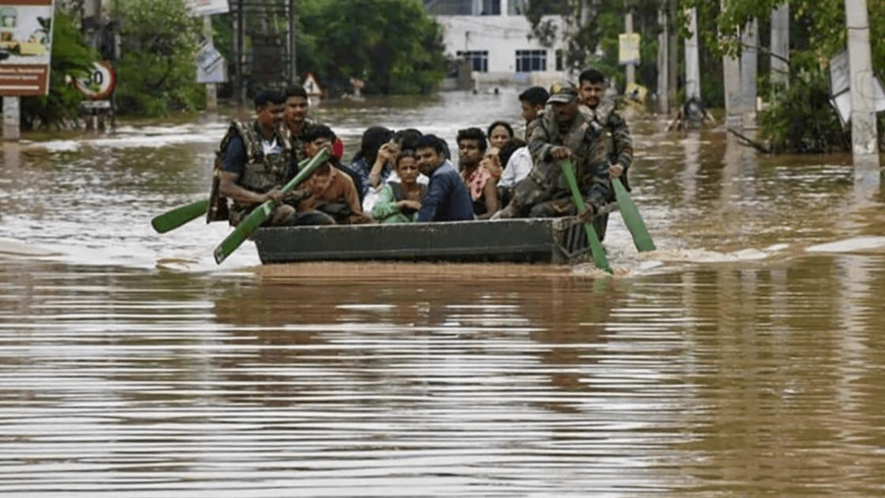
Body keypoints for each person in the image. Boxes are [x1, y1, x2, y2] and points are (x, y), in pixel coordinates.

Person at [495, 81, 612, 225]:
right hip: (543, 185)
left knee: (540, 212)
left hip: (577, 193)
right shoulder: (543, 122)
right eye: (556, 104)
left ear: (576, 102)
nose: (560, 109)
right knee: (512, 210)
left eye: (564, 104)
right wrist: (551, 150)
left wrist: (591, 205)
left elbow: (601, 175)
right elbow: (534, 144)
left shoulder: (593, 132)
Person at [215, 89, 296, 227]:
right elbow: (225, 187)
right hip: (247, 211)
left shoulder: (285, 140)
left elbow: (293, 177)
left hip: (279, 204)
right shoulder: (241, 141)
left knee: (321, 218)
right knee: (286, 212)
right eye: (274, 112)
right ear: (259, 111)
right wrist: (261, 198)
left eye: (282, 111)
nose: (280, 116)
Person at [578, 68, 634, 240]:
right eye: (588, 89)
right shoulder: (570, 115)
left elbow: (626, 147)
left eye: (597, 90)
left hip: (604, 180)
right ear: (580, 90)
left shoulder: (614, 119)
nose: (592, 94)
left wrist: (620, 166)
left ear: (603, 91)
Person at [286, 125, 371, 225]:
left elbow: (357, 215)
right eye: (318, 144)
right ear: (307, 148)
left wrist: (337, 222)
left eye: (327, 145)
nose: (323, 149)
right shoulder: (296, 178)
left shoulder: (344, 180)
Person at [415, 134, 474, 223]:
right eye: (418, 158)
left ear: (441, 156)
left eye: (428, 156)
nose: (422, 161)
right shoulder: (449, 171)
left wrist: (416, 229)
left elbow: (431, 206)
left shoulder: (442, 176)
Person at [371, 149, 428, 224]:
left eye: (413, 168)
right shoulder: (390, 189)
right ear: (397, 171)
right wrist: (401, 204)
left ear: (418, 170)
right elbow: (377, 211)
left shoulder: (426, 190)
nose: (409, 172)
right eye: (404, 168)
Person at [457, 127, 498, 218]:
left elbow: (492, 214)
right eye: (462, 147)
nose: (465, 151)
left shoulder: (487, 179)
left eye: (471, 148)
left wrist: (471, 221)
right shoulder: (460, 177)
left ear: (481, 153)